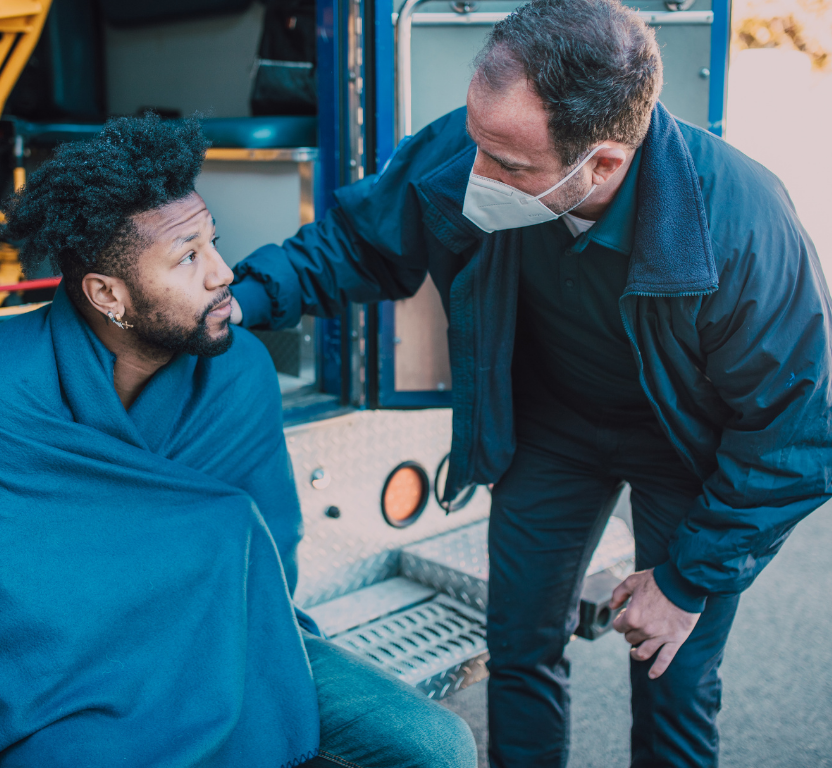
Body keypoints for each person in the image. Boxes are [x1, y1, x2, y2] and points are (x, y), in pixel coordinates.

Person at [227, 0, 832, 765]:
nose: (473, 176)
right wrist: (239, 300)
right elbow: (359, 242)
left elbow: (796, 434)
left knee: (673, 673)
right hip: (553, 430)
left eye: (508, 167)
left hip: (688, 451)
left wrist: (684, 582)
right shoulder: (485, 140)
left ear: (603, 163)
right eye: (478, 144)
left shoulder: (744, 226)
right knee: (518, 650)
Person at [0, 116, 477, 768]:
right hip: (58, 676)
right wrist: (214, 534)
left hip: (232, 631)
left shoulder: (240, 369)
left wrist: (215, 548)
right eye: (188, 257)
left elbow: (266, 563)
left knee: (439, 745)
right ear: (108, 293)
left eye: (214, 244)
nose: (225, 273)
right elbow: (2, 617)